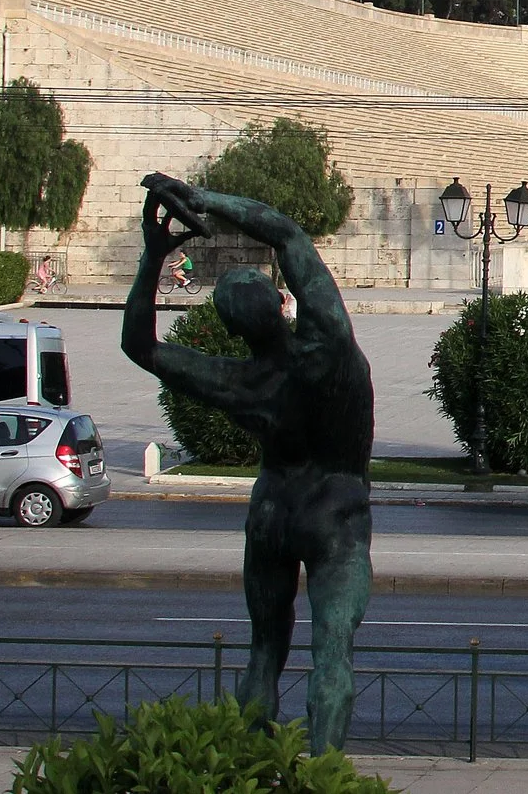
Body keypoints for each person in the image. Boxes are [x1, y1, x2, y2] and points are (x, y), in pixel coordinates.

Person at [122, 173, 373, 754]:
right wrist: (206, 200)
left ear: (232, 329)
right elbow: (286, 234)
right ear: (283, 303)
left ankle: (252, 766)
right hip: (336, 515)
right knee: (332, 654)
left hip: (272, 515)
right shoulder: (330, 345)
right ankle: (320, 775)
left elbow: (140, 346)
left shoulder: (239, 383)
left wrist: (153, 259)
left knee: (265, 650)